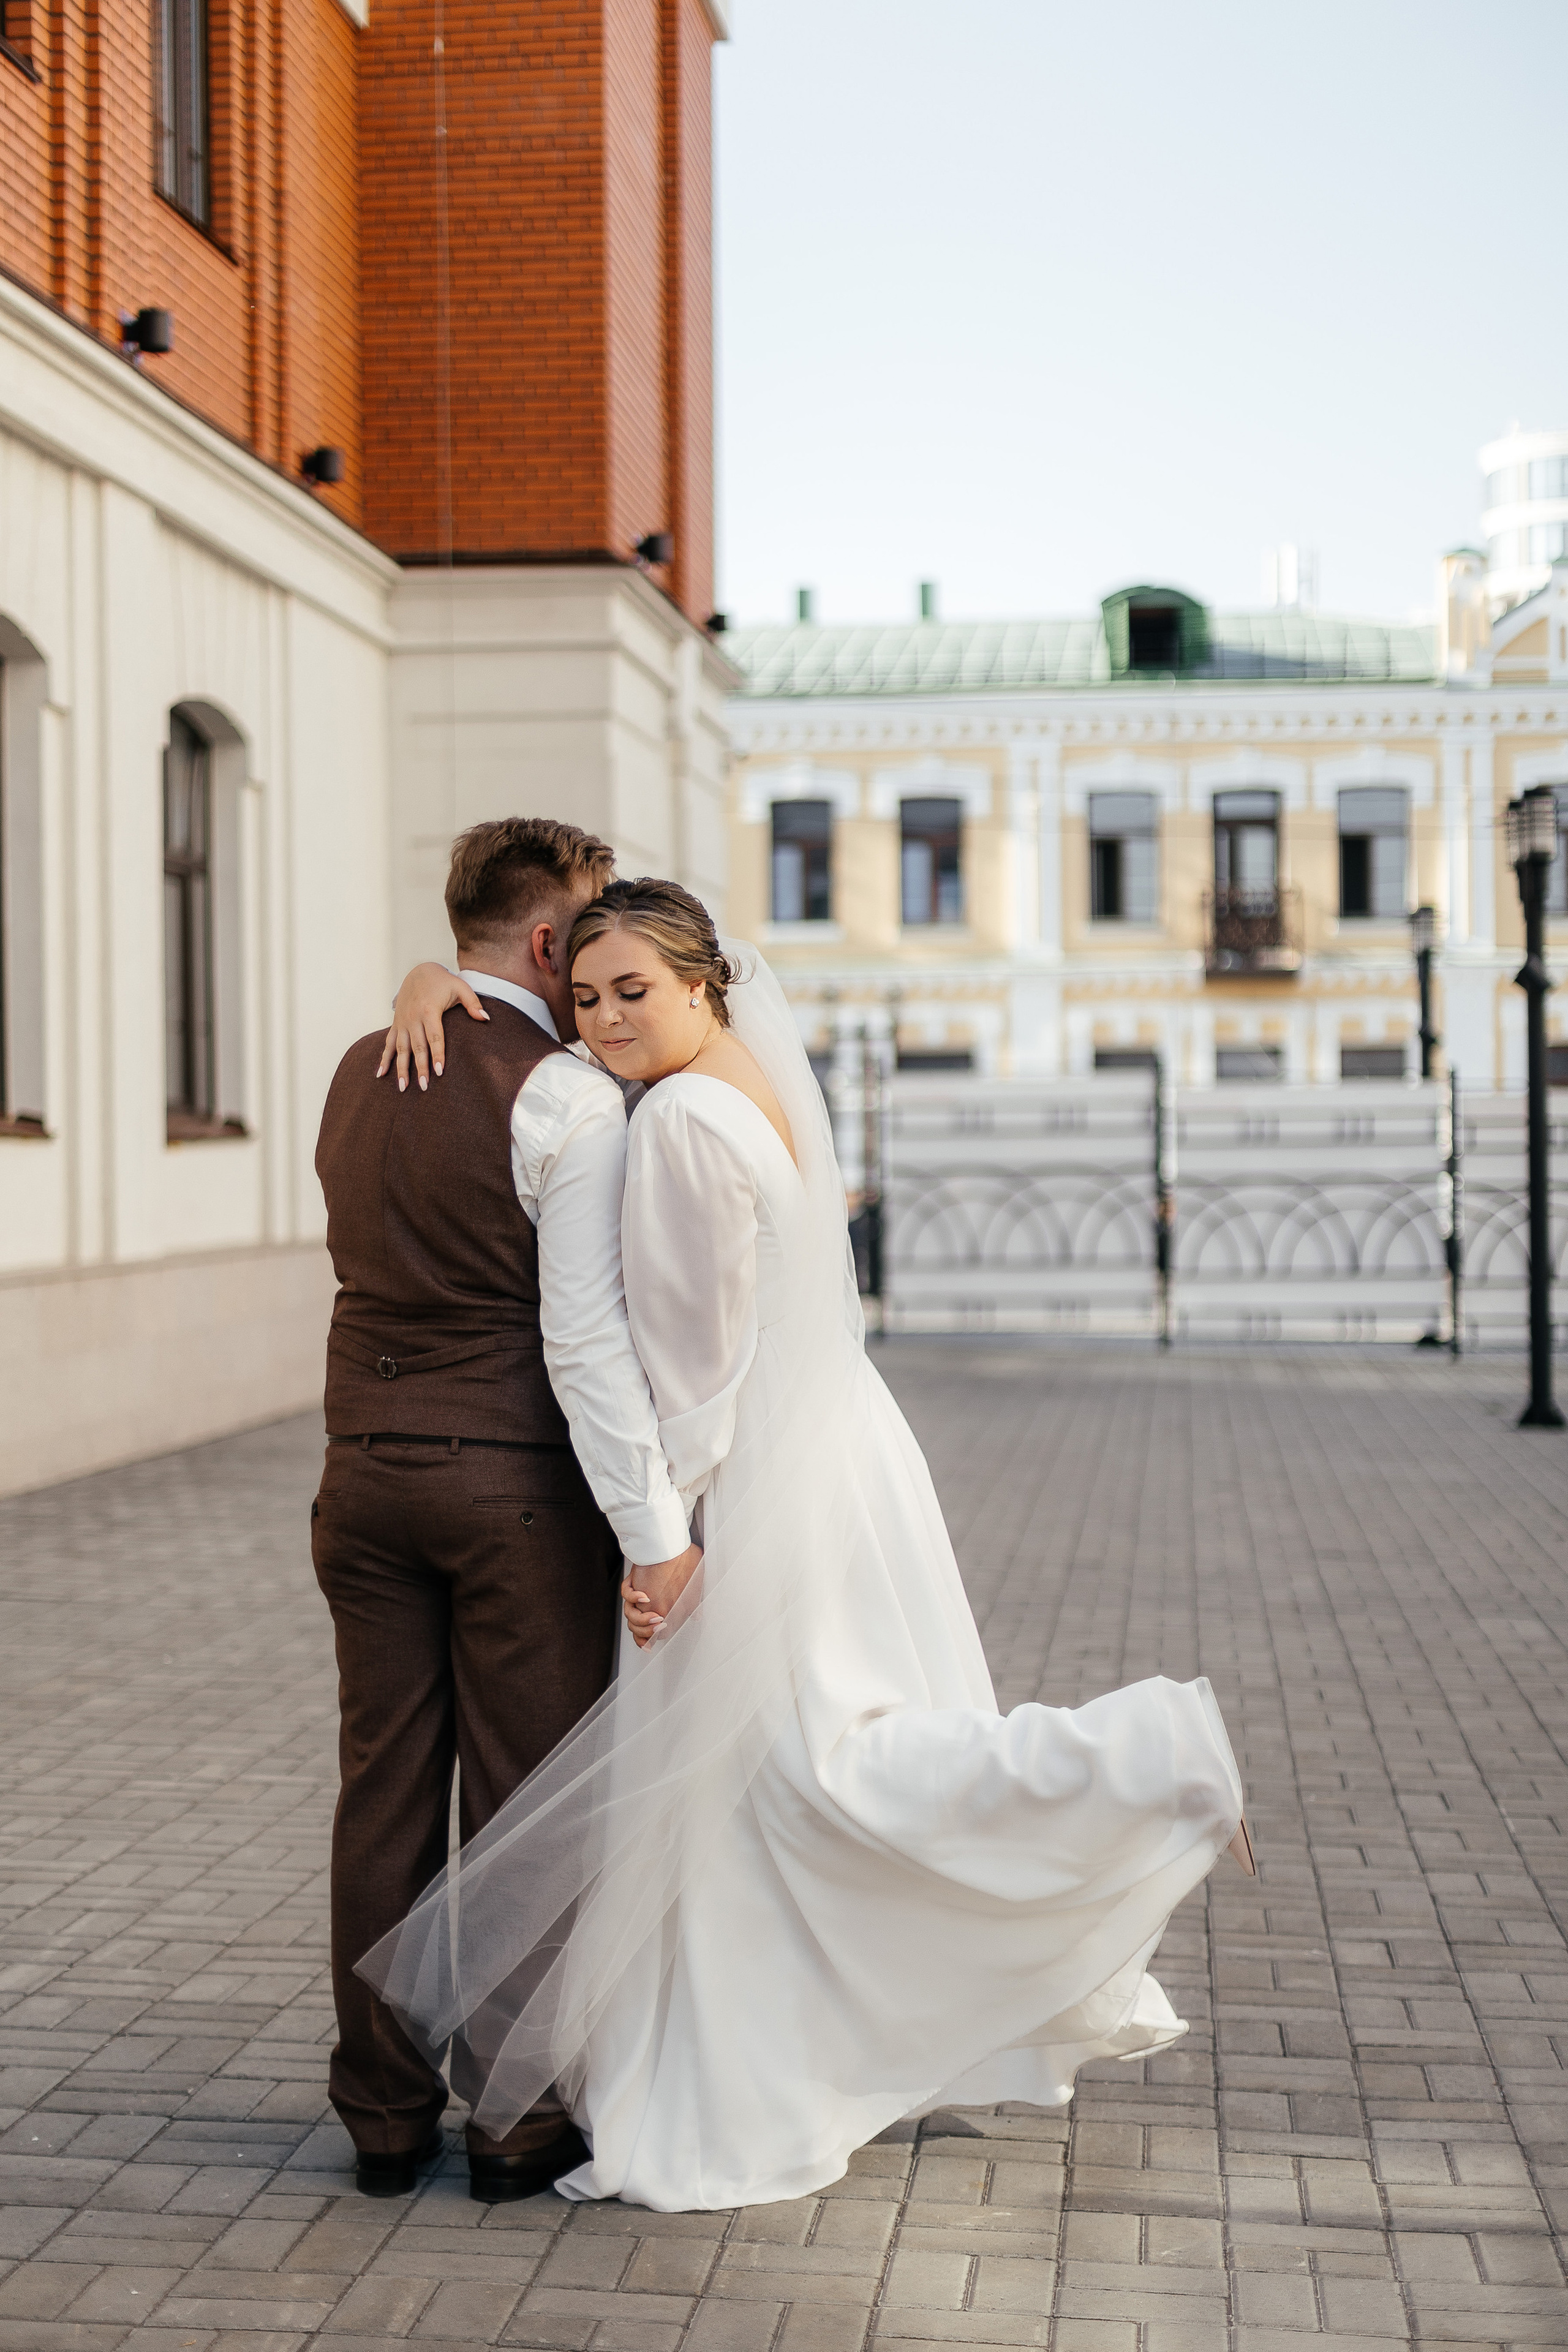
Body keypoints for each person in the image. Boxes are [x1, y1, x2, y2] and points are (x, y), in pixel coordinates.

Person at [366, 879, 1254, 2214]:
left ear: (701, 985)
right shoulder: (738, 1080)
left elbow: (688, 1361)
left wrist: (662, 1534)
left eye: (632, 995)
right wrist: (426, 979)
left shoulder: (673, 1124)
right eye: (590, 995)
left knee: (816, 1773)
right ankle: (771, 2049)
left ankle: (1149, 1756)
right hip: (836, 1451)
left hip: (749, 1478)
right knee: (787, 1776)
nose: (603, 1020)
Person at [311, 822, 699, 2204]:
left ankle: (379, 2115)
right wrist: (655, 1535)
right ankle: (516, 2122)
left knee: (383, 1793)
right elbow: (586, 1346)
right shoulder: (566, 1097)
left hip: (360, 1473)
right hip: (510, 1492)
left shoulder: (362, 1067)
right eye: (591, 940)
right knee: (528, 1805)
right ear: (550, 945)